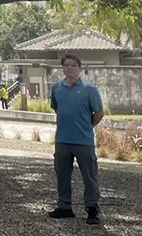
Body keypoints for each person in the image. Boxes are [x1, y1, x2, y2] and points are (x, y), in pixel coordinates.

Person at [48, 54, 104, 225]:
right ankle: (64, 207)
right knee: (62, 175)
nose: (70, 68)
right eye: (66, 65)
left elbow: (99, 113)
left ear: (80, 68)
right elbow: (57, 109)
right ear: (62, 68)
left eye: (73, 65)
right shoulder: (56, 88)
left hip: (84, 141)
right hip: (63, 140)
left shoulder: (89, 90)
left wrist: (87, 127)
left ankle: (92, 209)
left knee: (89, 176)